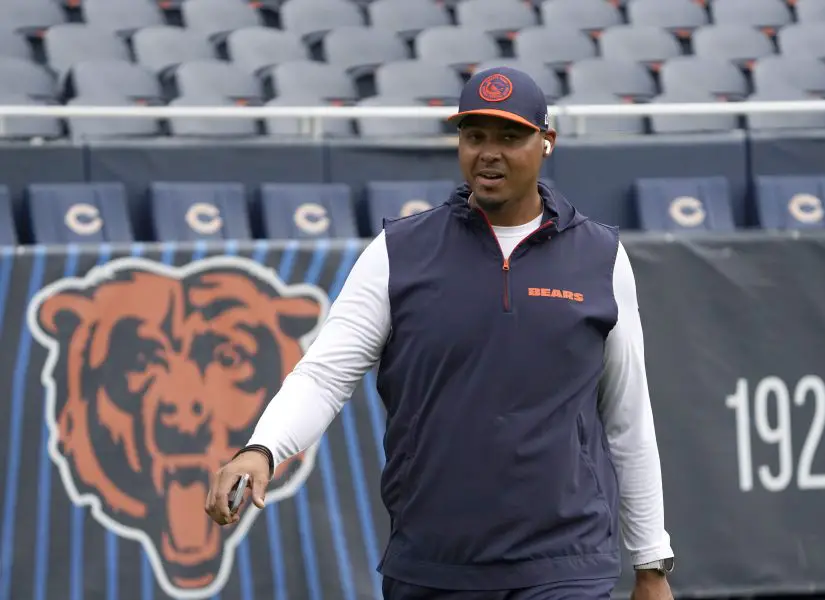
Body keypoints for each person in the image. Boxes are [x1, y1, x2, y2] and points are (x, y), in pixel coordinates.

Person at [206, 66, 675, 600]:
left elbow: (628, 419)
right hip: (433, 565)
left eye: (509, 137)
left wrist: (651, 564)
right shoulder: (397, 253)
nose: (488, 152)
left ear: (546, 143)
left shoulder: (601, 257)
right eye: (474, 136)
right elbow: (323, 376)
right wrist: (262, 449)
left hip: (564, 563)